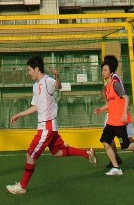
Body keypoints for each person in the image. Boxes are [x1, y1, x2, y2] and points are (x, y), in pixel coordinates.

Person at [6, 55, 96, 195]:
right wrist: (20, 114)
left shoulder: (47, 80)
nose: (28, 73)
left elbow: (58, 86)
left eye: (29, 70)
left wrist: (58, 77)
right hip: (48, 127)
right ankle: (86, 153)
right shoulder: (35, 86)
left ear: (36, 69)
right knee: (57, 152)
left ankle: (22, 186)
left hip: (46, 127)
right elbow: (36, 106)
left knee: (30, 155)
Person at [94, 54, 134, 175]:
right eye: (102, 70)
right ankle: (116, 167)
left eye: (105, 70)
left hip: (120, 120)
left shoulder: (115, 83)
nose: (103, 72)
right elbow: (110, 103)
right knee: (105, 141)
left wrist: (124, 114)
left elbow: (126, 98)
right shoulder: (107, 86)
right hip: (111, 121)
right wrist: (101, 109)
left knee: (126, 145)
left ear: (111, 72)